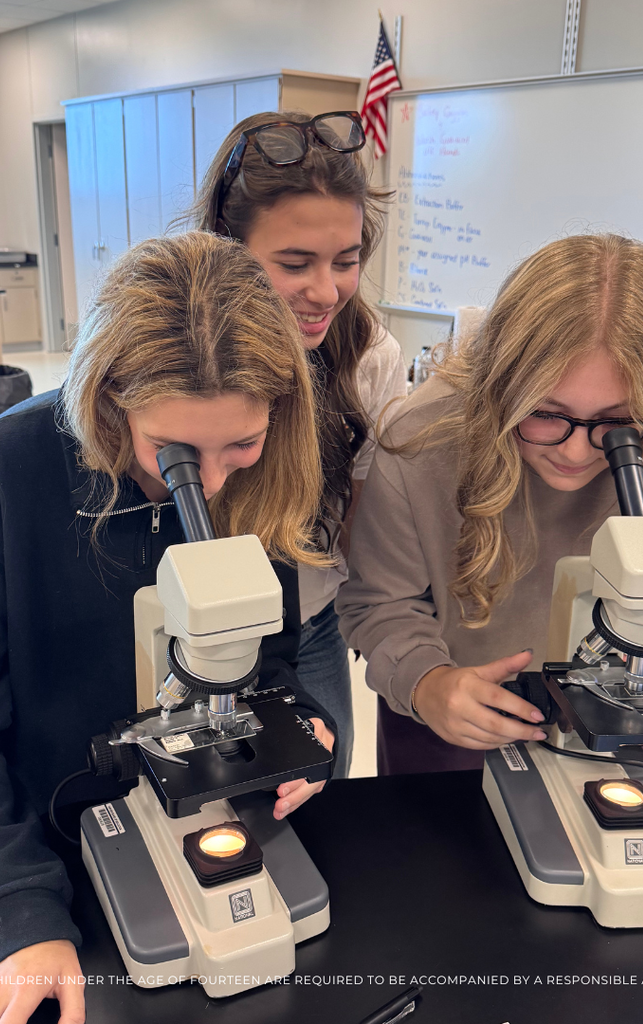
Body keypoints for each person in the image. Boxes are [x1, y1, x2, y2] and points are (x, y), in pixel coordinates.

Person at [0, 232, 338, 1024]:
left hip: (204, 804)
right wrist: (18, 910)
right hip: (40, 852)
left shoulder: (268, 474)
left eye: (243, 445)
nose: (212, 483)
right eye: (175, 453)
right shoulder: (2, 474)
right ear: (110, 396)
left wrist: (304, 724)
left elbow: (273, 661)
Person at [337, 233, 643, 775]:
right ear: (500, 386)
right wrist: (427, 682)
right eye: (544, 413)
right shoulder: (425, 437)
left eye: (617, 421)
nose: (574, 451)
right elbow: (380, 602)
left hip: (617, 711)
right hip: (456, 711)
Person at [188, 110, 409, 777]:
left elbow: (363, 520)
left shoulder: (369, 356)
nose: (325, 291)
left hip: (309, 619)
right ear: (226, 244)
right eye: (294, 263)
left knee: (320, 792)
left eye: (347, 261)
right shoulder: (178, 347)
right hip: (191, 623)